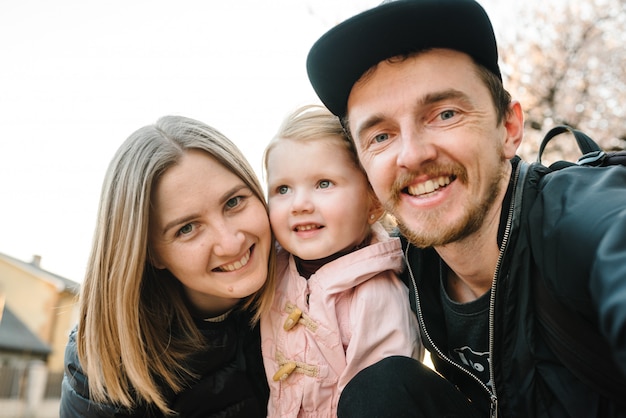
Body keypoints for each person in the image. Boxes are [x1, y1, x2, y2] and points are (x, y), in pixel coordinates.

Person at [306, 0, 626, 417]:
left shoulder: (579, 217)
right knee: (380, 392)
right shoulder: (402, 264)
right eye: (381, 136)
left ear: (509, 129)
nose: (412, 154)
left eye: (445, 113)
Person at [60, 115, 276, 417]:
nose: (230, 243)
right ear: (149, 253)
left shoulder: (322, 284)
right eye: (187, 228)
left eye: (233, 202)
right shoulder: (105, 362)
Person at [260, 104, 423, 417]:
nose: (300, 204)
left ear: (373, 201)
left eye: (323, 183)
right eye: (283, 189)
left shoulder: (376, 295)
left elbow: (376, 402)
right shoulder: (272, 271)